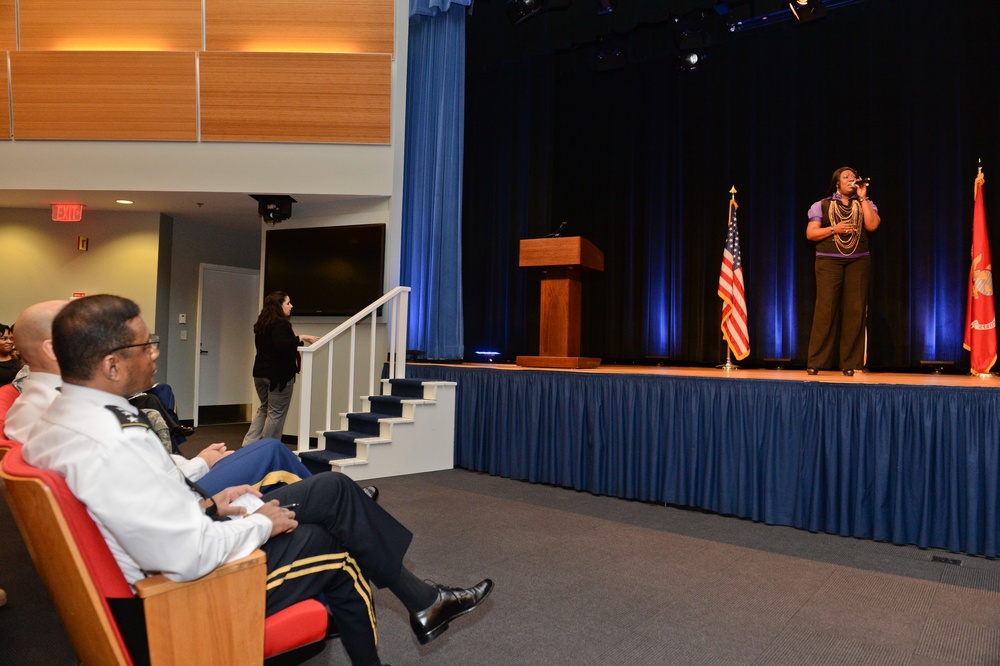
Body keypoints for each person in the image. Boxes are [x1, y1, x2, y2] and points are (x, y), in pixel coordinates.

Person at [22, 295, 493, 666]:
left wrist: (214, 504)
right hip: (186, 593)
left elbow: (148, 512)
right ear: (110, 364)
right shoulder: (112, 439)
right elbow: (187, 556)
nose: (155, 354)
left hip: (175, 555)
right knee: (337, 548)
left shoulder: (70, 418)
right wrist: (262, 524)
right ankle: (420, 603)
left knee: (332, 491)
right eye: (146, 345)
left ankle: (424, 601)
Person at [6, 300, 316, 496]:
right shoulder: (78, 420)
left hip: (177, 484)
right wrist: (201, 464)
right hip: (184, 494)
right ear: (52, 348)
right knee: (279, 454)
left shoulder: (43, 405)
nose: (152, 355)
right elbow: (154, 497)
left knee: (288, 470)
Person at [805, 166, 881, 376]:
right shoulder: (822, 205)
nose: (851, 179)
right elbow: (811, 234)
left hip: (858, 262)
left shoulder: (863, 203)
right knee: (826, 310)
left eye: (853, 177)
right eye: (846, 177)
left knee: (855, 312)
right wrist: (834, 229)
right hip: (829, 262)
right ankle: (816, 361)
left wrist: (863, 198)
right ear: (837, 184)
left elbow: (872, 225)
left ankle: (849, 363)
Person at [243, 291, 319, 446]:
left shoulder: (262, 323)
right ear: (279, 306)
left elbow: (275, 345)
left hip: (260, 373)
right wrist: (301, 337)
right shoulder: (281, 324)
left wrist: (297, 341)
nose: (291, 306)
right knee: (275, 413)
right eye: (288, 303)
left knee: (264, 409)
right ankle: (266, 448)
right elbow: (282, 345)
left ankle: (248, 445)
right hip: (278, 376)